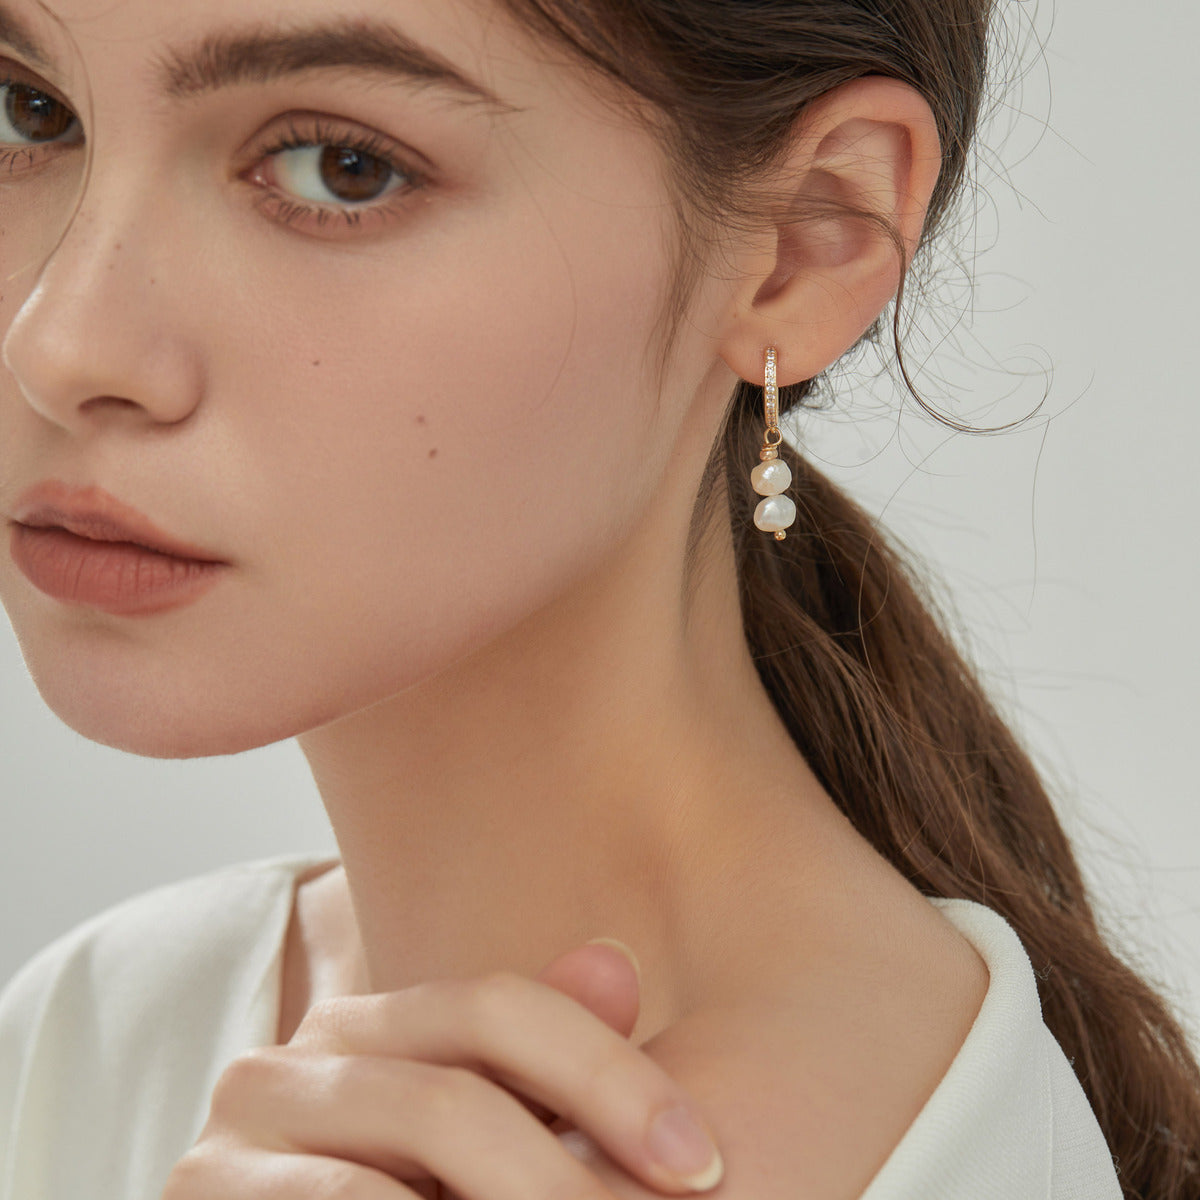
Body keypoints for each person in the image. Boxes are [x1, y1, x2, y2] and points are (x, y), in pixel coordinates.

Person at [0, 0, 1197, 1197]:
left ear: (804, 238)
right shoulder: (91, 1031)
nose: (58, 348)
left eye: (341, 167)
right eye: (27, 111)